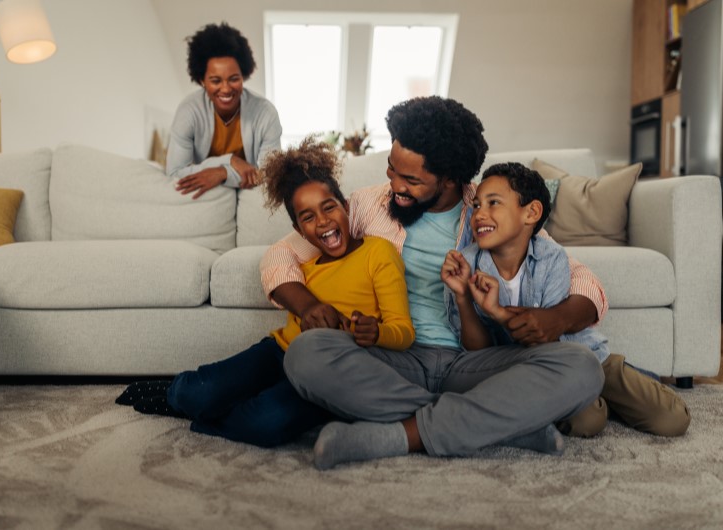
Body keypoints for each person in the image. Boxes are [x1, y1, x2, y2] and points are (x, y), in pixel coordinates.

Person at [260, 96, 605, 470]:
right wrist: (308, 306)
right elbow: (279, 256)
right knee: (306, 354)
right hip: (392, 360)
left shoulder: (488, 211)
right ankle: (505, 427)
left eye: (411, 180)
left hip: (471, 364)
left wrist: (555, 319)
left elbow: (583, 279)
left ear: (450, 179)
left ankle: (401, 435)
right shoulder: (367, 205)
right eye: (392, 169)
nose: (394, 185)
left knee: (582, 367)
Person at [116, 138, 415, 448]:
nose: (323, 221)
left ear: (346, 208)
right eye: (308, 217)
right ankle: (176, 395)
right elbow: (276, 261)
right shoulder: (306, 259)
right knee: (196, 392)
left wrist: (376, 332)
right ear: (299, 230)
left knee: (265, 425)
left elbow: (403, 331)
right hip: (280, 351)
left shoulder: (378, 252)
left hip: (329, 374)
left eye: (329, 207)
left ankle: (205, 414)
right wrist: (308, 307)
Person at [442, 162, 689, 439]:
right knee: (587, 422)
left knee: (673, 420)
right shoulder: (467, 264)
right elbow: (479, 353)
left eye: (493, 203)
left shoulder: (551, 257)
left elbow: (549, 340)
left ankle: (625, 384)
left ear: (531, 213)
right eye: (476, 206)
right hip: (534, 370)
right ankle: (602, 402)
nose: (479, 215)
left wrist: (499, 313)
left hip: (579, 354)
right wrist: (463, 297)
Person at [166, 22, 282, 199]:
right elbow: (174, 173)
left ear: (243, 75)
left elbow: (271, 175)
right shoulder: (188, 111)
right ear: (201, 80)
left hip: (249, 195)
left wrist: (222, 173)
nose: (226, 89)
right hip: (208, 198)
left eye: (234, 79)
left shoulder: (265, 113)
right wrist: (229, 161)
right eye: (216, 81)